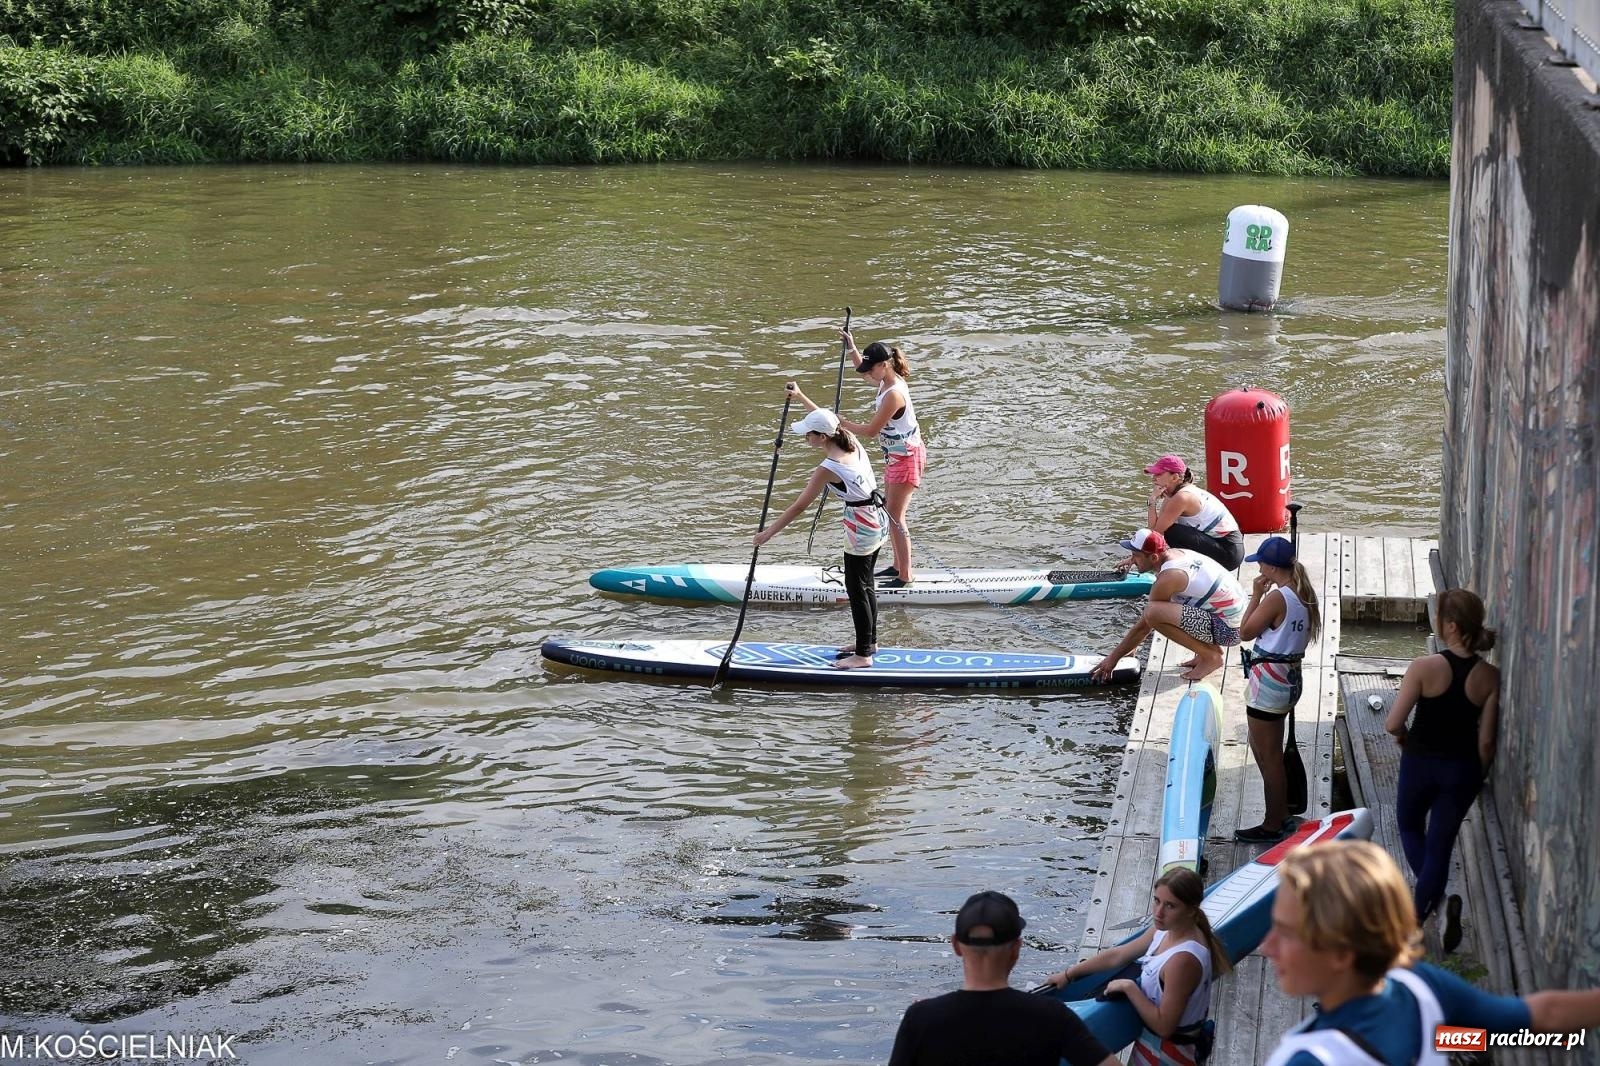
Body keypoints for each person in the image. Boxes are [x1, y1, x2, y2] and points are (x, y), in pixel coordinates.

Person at [1261, 840, 1600, 1065]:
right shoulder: (1419, 989)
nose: (1267, 946)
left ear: (1341, 952)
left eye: (1287, 932)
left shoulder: (1313, 1058)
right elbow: (1542, 1019)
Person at [1383, 588, 1501, 947]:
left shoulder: (1424, 667)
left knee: (1408, 827)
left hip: (1420, 762)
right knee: (1440, 846)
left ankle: (1436, 907)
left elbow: (1392, 723)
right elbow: (1486, 741)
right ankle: (1419, 918)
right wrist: (1476, 776)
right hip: (1462, 769)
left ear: (1449, 626)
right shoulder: (1490, 677)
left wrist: (1404, 739)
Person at [888, 891, 1117, 1066]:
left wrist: (930, 1016)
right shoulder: (1052, 1016)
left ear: (956, 945)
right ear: (1017, 948)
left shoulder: (921, 1019)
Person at [1043, 868, 1230, 1064]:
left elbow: (1165, 1026)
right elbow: (1119, 954)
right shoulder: (1166, 929)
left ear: (1191, 910)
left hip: (1168, 1055)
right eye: (1157, 900)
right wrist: (1068, 974)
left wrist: (1130, 987)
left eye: (1170, 906)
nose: (1158, 913)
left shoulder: (1182, 961)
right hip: (1153, 1047)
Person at [753, 406, 888, 669]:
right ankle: (869, 642)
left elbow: (799, 506)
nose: (806, 438)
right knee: (866, 584)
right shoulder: (853, 442)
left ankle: (863, 656)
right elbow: (829, 417)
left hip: (861, 527)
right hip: (877, 519)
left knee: (856, 589)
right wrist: (801, 396)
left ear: (823, 437)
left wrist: (768, 534)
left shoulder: (828, 467)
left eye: (809, 434)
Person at [787, 331, 923, 587]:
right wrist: (851, 348)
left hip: (907, 457)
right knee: (891, 513)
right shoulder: (884, 380)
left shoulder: (894, 393)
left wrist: (842, 423)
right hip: (895, 456)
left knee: (896, 515)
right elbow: (862, 372)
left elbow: (871, 432)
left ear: (884, 366)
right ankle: (896, 566)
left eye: (872, 369)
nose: (868, 375)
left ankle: (905, 576)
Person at [1233, 535, 1322, 844]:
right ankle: (1280, 811)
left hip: (1270, 683)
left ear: (1270, 567)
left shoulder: (1277, 597)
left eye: (1261, 563)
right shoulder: (1304, 593)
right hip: (1289, 678)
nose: (1258, 567)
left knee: (1268, 756)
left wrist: (1255, 594)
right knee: (1264, 749)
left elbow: (1244, 632)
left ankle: (1273, 824)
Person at [1091, 529, 1246, 683]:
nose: (1131, 560)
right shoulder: (1177, 554)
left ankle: (1210, 657)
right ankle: (1207, 652)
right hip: (1234, 621)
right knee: (1163, 608)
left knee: (1154, 613)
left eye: (1135, 556)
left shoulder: (1169, 576)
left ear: (1153, 557)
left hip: (1229, 631)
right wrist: (1131, 647)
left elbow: (1147, 622)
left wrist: (1113, 659)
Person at [1141, 455, 1244, 571]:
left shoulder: (1182, 497)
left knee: (1172, 532)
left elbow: (1156, 533)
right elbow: (1155, 531)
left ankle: (1186, 571)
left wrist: (1152, 501)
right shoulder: (1174, 495)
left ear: (1174, 477)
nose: (1154, 478)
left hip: (1229, 554)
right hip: (1226, 547)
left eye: (1158, 474)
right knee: (1169, 533)